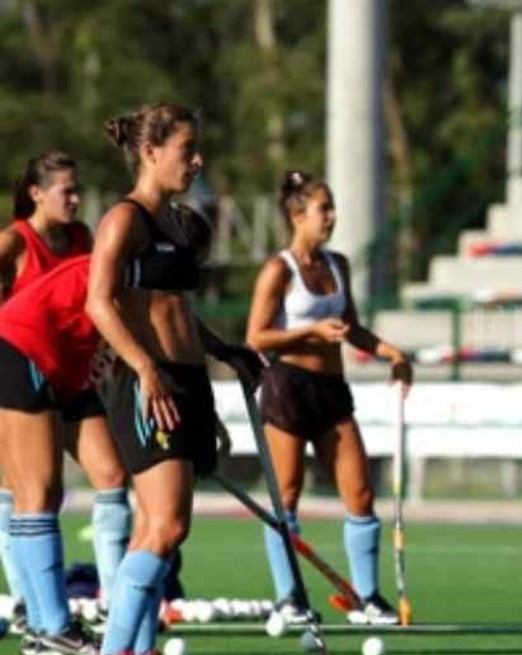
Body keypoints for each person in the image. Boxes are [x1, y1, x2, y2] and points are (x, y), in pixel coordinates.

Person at [88, 103, 262, 655]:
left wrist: (223, 349)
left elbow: (177, 309)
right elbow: (98, 303)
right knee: (167, 527)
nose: (198, 161)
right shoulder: (125, 220)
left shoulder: (175, 222)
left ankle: (136, 647)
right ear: (150, 151)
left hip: (188, 381)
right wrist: (145, 368)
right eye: (187, 150)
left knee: (153, 530)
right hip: (148, 385)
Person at [245, 170, 412, 625]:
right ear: (297, 215)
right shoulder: (279, 270)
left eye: (333, 207)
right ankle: (290, 597)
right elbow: (257, 337)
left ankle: (366, 597)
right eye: (324, 208)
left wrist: (391, 353)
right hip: (288, 388)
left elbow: (351, 328)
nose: (333, 216)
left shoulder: (338, 264)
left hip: (332, 390)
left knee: (360, 491)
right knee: (287, 494)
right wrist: (311, 332)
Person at [0, 152, 131, 638]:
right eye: (66, 190)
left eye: (78, 189)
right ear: (36, 194)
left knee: (111, 473)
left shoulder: (82, 238)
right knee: (28, 491)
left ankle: (117, 605)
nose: (76, 198)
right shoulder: (15, 241)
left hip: (71, 373)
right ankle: (35, 611)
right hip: (23, 362)